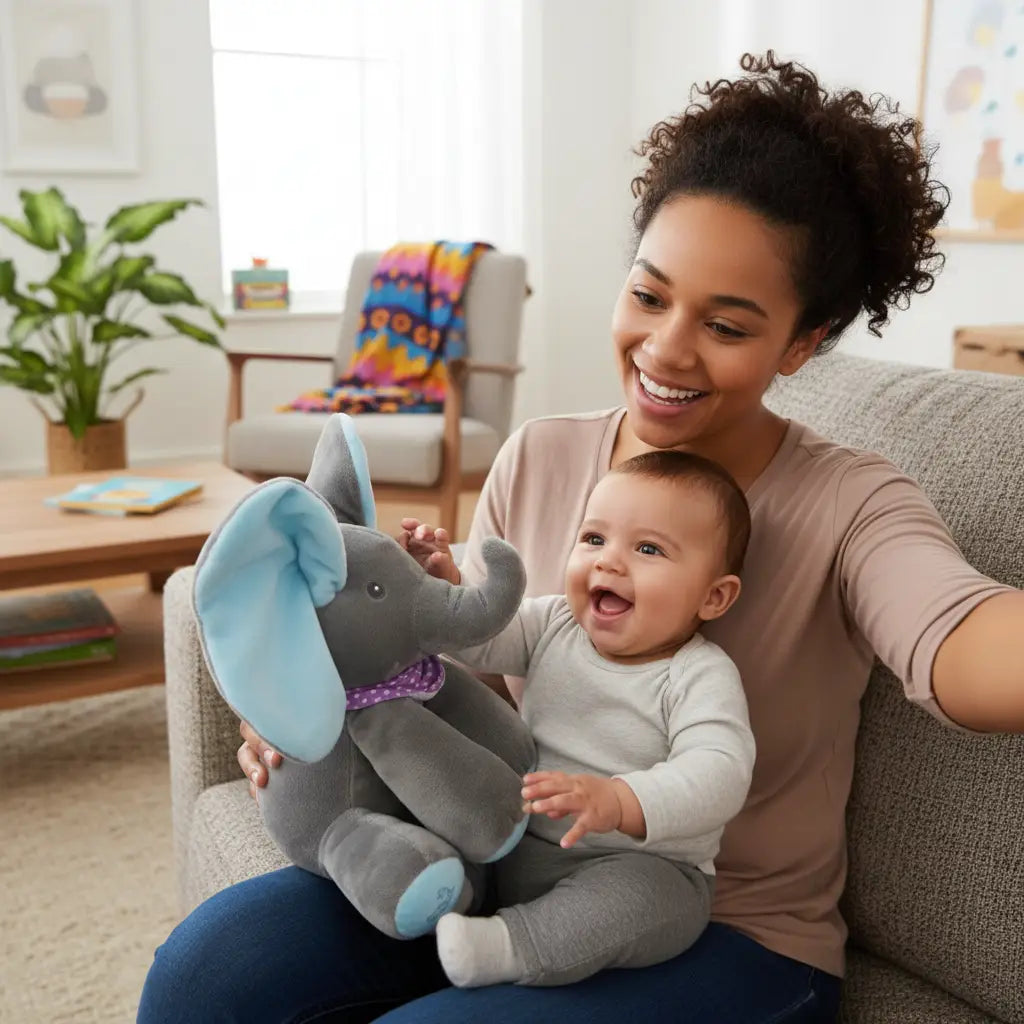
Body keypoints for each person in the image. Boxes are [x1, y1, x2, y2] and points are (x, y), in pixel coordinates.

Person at [138, 52, 1024, 1024]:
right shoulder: (540, 457)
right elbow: (458, 687)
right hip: (504, 870)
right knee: (206, 973)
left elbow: (959, 640)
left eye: (726, 325)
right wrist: (326, 714)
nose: (665, 348)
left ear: (802, 342)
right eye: (648, 295)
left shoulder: (850, 505)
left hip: (731, 937)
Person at [430, 450, 755, 989]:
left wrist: (618, 801)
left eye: (648, 548)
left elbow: (721, 772)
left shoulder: (697, 674)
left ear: (714, 596)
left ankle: (515, 945)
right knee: (449, 823)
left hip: (638, 865)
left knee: (640, 904)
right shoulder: (555, 621)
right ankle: (431, 898)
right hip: (516, 843)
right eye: (594, 539)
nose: (608, 562)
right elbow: (479, 640)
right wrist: (446, 591)